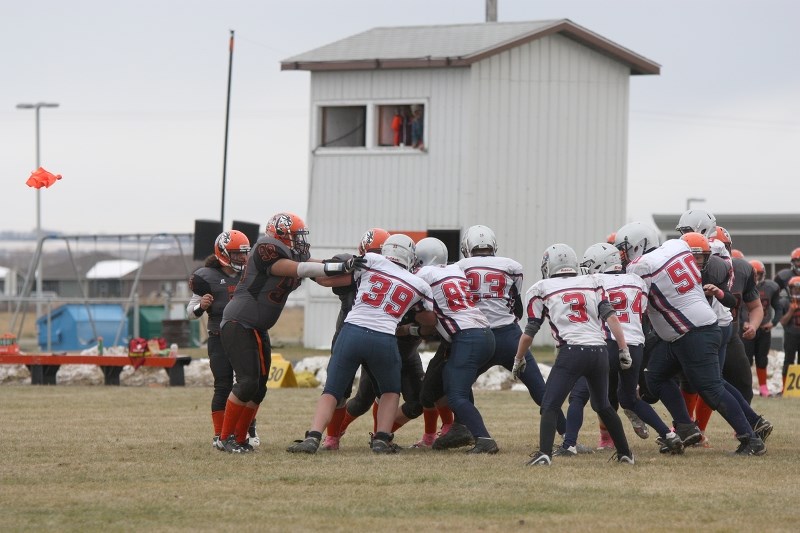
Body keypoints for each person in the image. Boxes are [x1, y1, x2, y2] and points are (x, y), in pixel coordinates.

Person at [615, 222, 771, 456]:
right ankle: (687, 428)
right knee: (656, 377)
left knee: (711, 388)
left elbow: (633, 298)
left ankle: (750, 438)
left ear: (640, 244)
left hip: (694, 332)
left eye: (625, 248)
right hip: (687, 332)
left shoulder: (641, 266)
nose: (622, 254)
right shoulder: (676, 247)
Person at [215, 212, 361, 453]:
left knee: (259, 387)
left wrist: (354, 271)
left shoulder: (294, 253)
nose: (300, 241)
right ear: (280, 234)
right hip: (239, 321)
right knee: (247, 382)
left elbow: (321, 275)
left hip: (255, 326)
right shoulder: (266, 248)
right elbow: (300, 269)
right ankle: (224, 437)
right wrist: (340, 265)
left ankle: (239, 438)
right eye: (295, 236)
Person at [287, 234, 437, 454]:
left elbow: (326, 276)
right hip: (385, 337)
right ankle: (381, 439)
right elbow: (429, 322)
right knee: (390, 392)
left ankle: (314, 437)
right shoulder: (419, 284)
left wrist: (303, 266)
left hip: (352, 332)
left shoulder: (371, 261)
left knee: (332, 391)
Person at [551, 243, 683, 457]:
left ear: (599, 263)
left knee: (579, 394)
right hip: (636, 344)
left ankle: (569, 444)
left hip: (609, 342)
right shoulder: (637, 281)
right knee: (629, 398)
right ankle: (668, 435)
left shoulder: (595, 281)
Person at [445, 225, 565, 449]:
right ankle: (568, 437)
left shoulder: (459, 268)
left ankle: (478, 434)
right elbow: (515, 306)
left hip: (476, 337)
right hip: (510, 336)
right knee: (540, 391)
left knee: (457, 388)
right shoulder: (511, 267)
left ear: (466, 247)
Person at [516, 243, 635, 466]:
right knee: (603, 406)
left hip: (571, 352)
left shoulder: (541, 288)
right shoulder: (592, 282)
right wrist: (623, 348)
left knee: (550, 405)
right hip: (599, 351)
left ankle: (544, 454)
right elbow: (612, 319)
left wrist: (518, 358)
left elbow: (529, 332)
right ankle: (625, 453)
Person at [405, 237, 498, 453]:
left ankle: (484, 439)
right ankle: (459, 429)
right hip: (483, 333)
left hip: (467, 337)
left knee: (456, 395)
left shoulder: (422, 276)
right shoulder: (455, 270)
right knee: (440, 384)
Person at [321, 228, 392, 451]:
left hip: (377, 337)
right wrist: (346, 265)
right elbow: (326, 273)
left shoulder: (394, 274)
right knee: (339, 389)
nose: (378, 258)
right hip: (347, 335)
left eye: (382, 253)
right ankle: (332, 438)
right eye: (374, 253)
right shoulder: (353, 269)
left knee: (375, 393)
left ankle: (379, 437)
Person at [187, 230, 251, 448]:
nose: (243, 258)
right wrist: (201, 306)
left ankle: (246, 430)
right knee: (222, 385)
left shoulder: (249, 273)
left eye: (245, 253)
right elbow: (190, 311)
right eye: (238, 254)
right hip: (218, 336)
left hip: (245, 336)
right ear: (224, 253)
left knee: (248, 385)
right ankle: (219, 433)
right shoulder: (206, 277)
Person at [743, 260, 782, 397]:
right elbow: (738, 308)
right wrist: (744, 323)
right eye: (753, 274)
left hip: (764, 329)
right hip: (747, 329)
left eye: (758, 274)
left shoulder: (771, 287)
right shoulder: (743, 286)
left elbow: (778, 307)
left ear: (763, 274)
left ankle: (763, 388)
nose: (756, 277)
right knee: (746, 360)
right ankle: (746, 387)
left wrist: (773, 322)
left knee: (762, 359)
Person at [778, 276, 800, 390]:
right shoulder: (785, 302)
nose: (797, 291)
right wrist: (791, 310)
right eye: (795, 289)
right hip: (791, 335)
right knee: (788, 361)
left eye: (799, 289)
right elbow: (782, 322)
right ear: (790, 289)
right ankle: (785, 387)